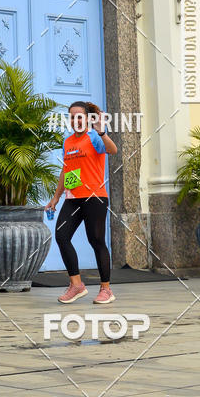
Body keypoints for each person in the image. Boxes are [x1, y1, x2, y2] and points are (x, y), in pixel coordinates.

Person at [45, 101, 117, 305]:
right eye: (72, 117)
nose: (76, 120)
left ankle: (106, 289)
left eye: (79, 116)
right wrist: (56, 197)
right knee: (61, 235)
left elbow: (113, 150)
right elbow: (67, 170)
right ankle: (76, 284)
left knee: (96, 240)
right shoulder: (68, 142)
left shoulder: (94, 136)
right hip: (73, 198)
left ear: (87, 118)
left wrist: (102, 132)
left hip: (95, 197)